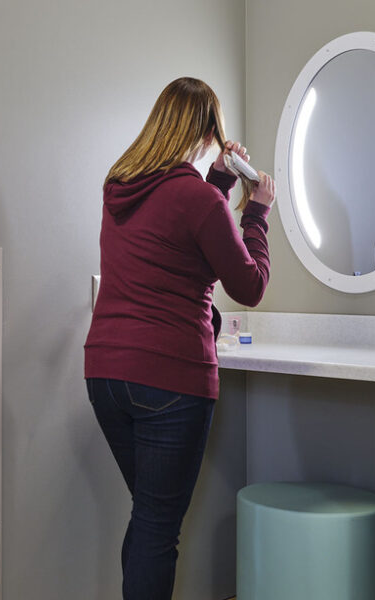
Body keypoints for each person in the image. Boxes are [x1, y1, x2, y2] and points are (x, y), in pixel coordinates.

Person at [84, 76, 276, 600]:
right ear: (206, 132)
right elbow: (250, 285)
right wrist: (257, 211)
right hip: (169, 379)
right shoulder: (196, 200)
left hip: (103, 373)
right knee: (157, 525)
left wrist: (217, 184)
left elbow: (178, 235)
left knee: (149, 516)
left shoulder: (118, 187)